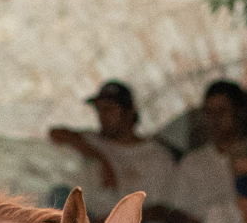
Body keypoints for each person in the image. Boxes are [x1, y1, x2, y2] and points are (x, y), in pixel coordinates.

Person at [49, 79, 177, 214]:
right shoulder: (93, 141)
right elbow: (56, 134)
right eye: (99, 110)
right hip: (92, 221)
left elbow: (161, 209)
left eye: (109, 109)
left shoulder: (157, 156)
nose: (102, 116)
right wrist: (102, 160)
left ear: (129, 112)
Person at [171, 79, 247, 223]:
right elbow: (179, 211)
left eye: (222, 111)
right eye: (209, 112)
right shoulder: (192, 163)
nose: (215, 119)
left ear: (239, 112)